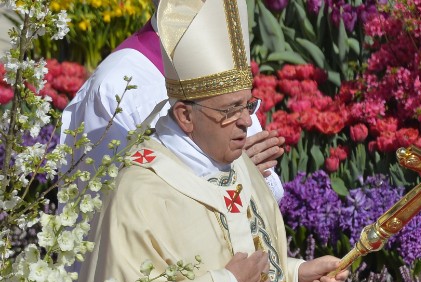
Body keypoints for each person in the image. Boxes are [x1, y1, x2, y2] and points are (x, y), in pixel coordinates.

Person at [74, 0, 348, 282]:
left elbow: (248, 267)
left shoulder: (239, 166)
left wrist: (296, 276)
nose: (247, 122)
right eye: (229, 110)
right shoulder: (139, 194)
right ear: (185, 116)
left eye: (247, 105)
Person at [59, 0, 285, 202]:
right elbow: (110, 212)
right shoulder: (114, 86)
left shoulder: (221, 56)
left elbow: (265, 179)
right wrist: (231, 175)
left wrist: (245, 174)